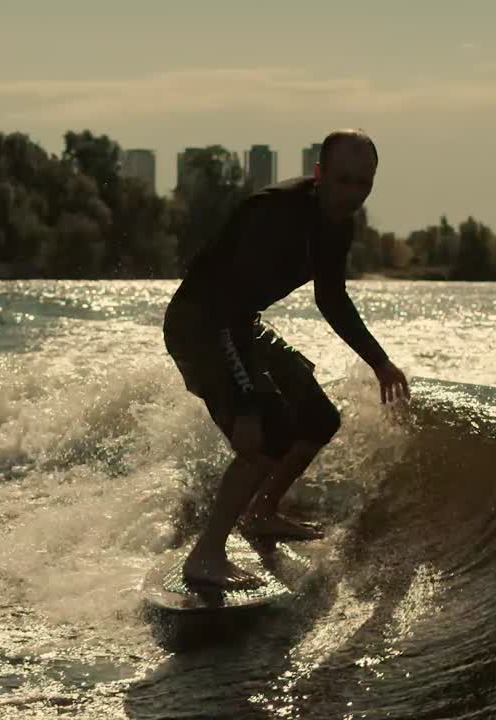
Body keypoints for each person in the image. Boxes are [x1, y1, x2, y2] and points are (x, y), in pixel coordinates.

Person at [162, 128, 410, 590]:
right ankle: (205, 555)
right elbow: (227, 304)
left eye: (364, 183)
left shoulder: (338, 223)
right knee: (265, 435)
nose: (353, 193)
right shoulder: (272, 214)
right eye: (343, 181)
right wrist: (252, 403)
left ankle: (263, 511)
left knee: (318, 418)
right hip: (202, 324)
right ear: (319, 175)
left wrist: (380, 362)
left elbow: (331, 298)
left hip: (240, 323)